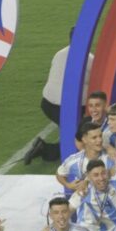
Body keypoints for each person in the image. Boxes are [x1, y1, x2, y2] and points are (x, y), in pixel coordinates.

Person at [26, 27, 95, 164]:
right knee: (81, 137)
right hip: (69, 107)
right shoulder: (89, 59)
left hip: (47, 104)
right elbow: (95, 83)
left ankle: (46, 148)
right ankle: (44, 149)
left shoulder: (59, 53)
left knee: (75, 135)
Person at [56, 122, 115, 195]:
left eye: (100, 136)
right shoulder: (73, 160)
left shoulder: (110, 158)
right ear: (84, 139)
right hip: (84, 201)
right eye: (94, 137)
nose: (99, 140)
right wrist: (68, 185)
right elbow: (59, 174)